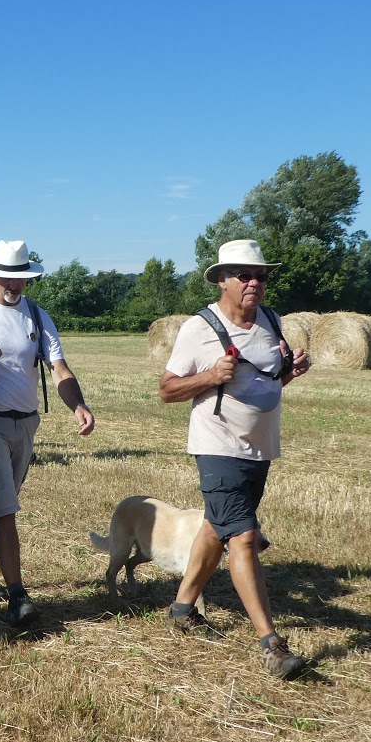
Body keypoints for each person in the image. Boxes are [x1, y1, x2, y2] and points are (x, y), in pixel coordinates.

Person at [159, 239, 311, 680]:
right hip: (216, 445)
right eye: (243, 275)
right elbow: (167, 390)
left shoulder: (272, 321)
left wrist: (290, 372)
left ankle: (182, 609)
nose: (253, 283)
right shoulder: (198, 328)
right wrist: (209, 376)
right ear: (222, 280)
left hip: (260, 448)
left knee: (216, 526)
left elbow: (267, 383)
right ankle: (272, 644)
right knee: (242, 537)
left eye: (260, 275)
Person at [0, 239, 96, 628]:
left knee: (4, 501)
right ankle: (17, 595)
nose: (14, 285)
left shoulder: (36, 315)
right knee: (4, 505)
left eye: (22, 278)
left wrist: (79, 405)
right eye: (8, 277)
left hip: (26, 422)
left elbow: (59, 369)